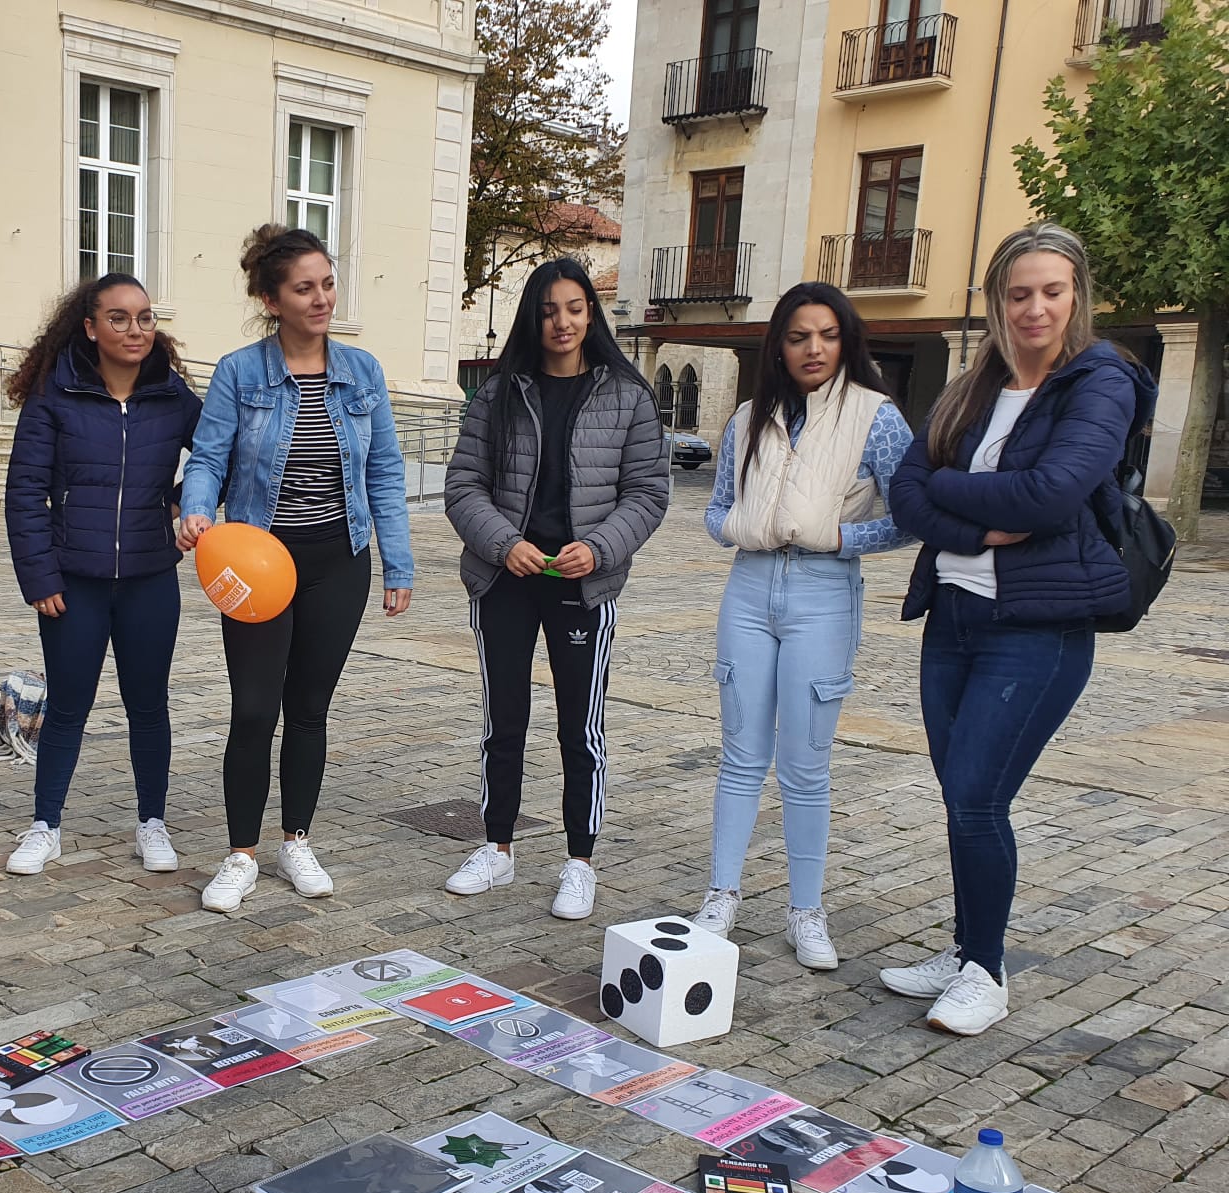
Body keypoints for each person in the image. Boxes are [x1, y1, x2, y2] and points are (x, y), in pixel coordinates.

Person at [883, 223, 1152, 1035]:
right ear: (999, 301)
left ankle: (987, 972)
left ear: (1078, 295)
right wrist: (973, 525)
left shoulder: (1100, 382)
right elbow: (905, 487)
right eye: (1019, 292)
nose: (1035, 308)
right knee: (960, 795)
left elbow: (1050, 496)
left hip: (1037, 627)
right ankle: (968, 945)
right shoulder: (976, 384)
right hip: (954, 618)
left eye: (1052, 290)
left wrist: (951, 496)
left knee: (975, 796)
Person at [177, 225, 414, 913]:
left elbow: (385, 472)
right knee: (253, 709)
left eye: (327, 283)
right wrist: (197, 510)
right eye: (304, 288)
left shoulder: (362, 372)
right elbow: (210, 458)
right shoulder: (240, 372)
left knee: (309, 709)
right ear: (270, 298)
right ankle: (241, 854)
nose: (321, 299)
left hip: (339, 559)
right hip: (258, 562)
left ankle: (296, 839)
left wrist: (397, 565)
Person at [688, 283, 915, 967]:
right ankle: (721, 894)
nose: (812, 348)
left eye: (826, 334)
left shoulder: (877, 417)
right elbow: (716, 506)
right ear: (779, 347)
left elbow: (912, 513)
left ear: (846, 340)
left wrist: (838, 539)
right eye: (797, 336)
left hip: (824, 593)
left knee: (805, 766)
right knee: (740, 756)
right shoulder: (748, 418)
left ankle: (806, 911)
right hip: (750, 590)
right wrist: (738, 526)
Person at [441, 259, 669, 919]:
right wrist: (501, 543)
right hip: (505, 581)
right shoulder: (499, 393)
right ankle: (498, 848)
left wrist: (598, 549)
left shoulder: (628, 396)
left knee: (581, 729)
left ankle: (579, 861)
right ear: (532, 319)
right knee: (502, 722)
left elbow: (649, 493)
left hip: (582, 587)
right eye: (548, 310)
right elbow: (463, 486)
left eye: (573, 308)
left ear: (590, 314)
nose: (561, 322)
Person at [1, 274, 202, 875]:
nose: (134, 329)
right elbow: (24, 492)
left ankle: (152, 824)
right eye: (118, 318)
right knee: (67, 706)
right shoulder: (54, 396)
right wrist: (40, 578)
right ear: (90, 327)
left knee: (149, 706)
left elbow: (223, 457)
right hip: (74, 583)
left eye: (143, 318)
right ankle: (46, 825)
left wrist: (181, 499)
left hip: (149, 578)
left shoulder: (174, 398)